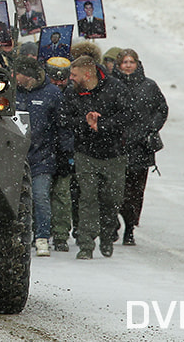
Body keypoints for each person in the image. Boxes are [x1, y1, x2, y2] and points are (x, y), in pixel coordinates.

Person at [61, 55, 131, 260]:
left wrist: (103, 125)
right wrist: (85, 122)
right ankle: (86, 243)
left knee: (112, 199)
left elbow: (128, 115)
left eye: (74, 74)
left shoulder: (115, 88)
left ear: (87, 74)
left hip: (114, 154)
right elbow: (63, 118)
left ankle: (107, 235)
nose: (70, 78)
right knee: (87, 197)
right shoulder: (72, 93)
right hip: (85, 152)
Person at [113, 49, 167, 246]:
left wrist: (151, 128)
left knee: (135, 192)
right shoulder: (112, 85)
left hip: (141, 148)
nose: (128, 65)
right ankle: (113, 223)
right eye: (124, 62)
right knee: (115, 190)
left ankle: (130, 227)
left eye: (131, 62)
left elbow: (162, 109)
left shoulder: (149, 86)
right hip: (116, 146)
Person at [13, 55, 64, 257]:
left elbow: (62, 125)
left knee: (41, 197)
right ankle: (18, 235)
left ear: (27, 75)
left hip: (42, 156)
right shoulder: (10, 91)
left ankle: (42, 236)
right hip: (15, 157)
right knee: (16, 200)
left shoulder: (52, 93)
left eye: (17, 73)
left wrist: (62, 154)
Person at [44, 56, 76, 252]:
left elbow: (71, 126)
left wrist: (67, 151)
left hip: (65, 151)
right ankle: (40, 232)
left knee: (63, 196)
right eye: (54, 78)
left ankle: (61, 235)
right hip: (44, 151)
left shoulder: (72, 95)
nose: (58, 83)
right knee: (41, 195)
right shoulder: (42, 93)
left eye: (61, 79)